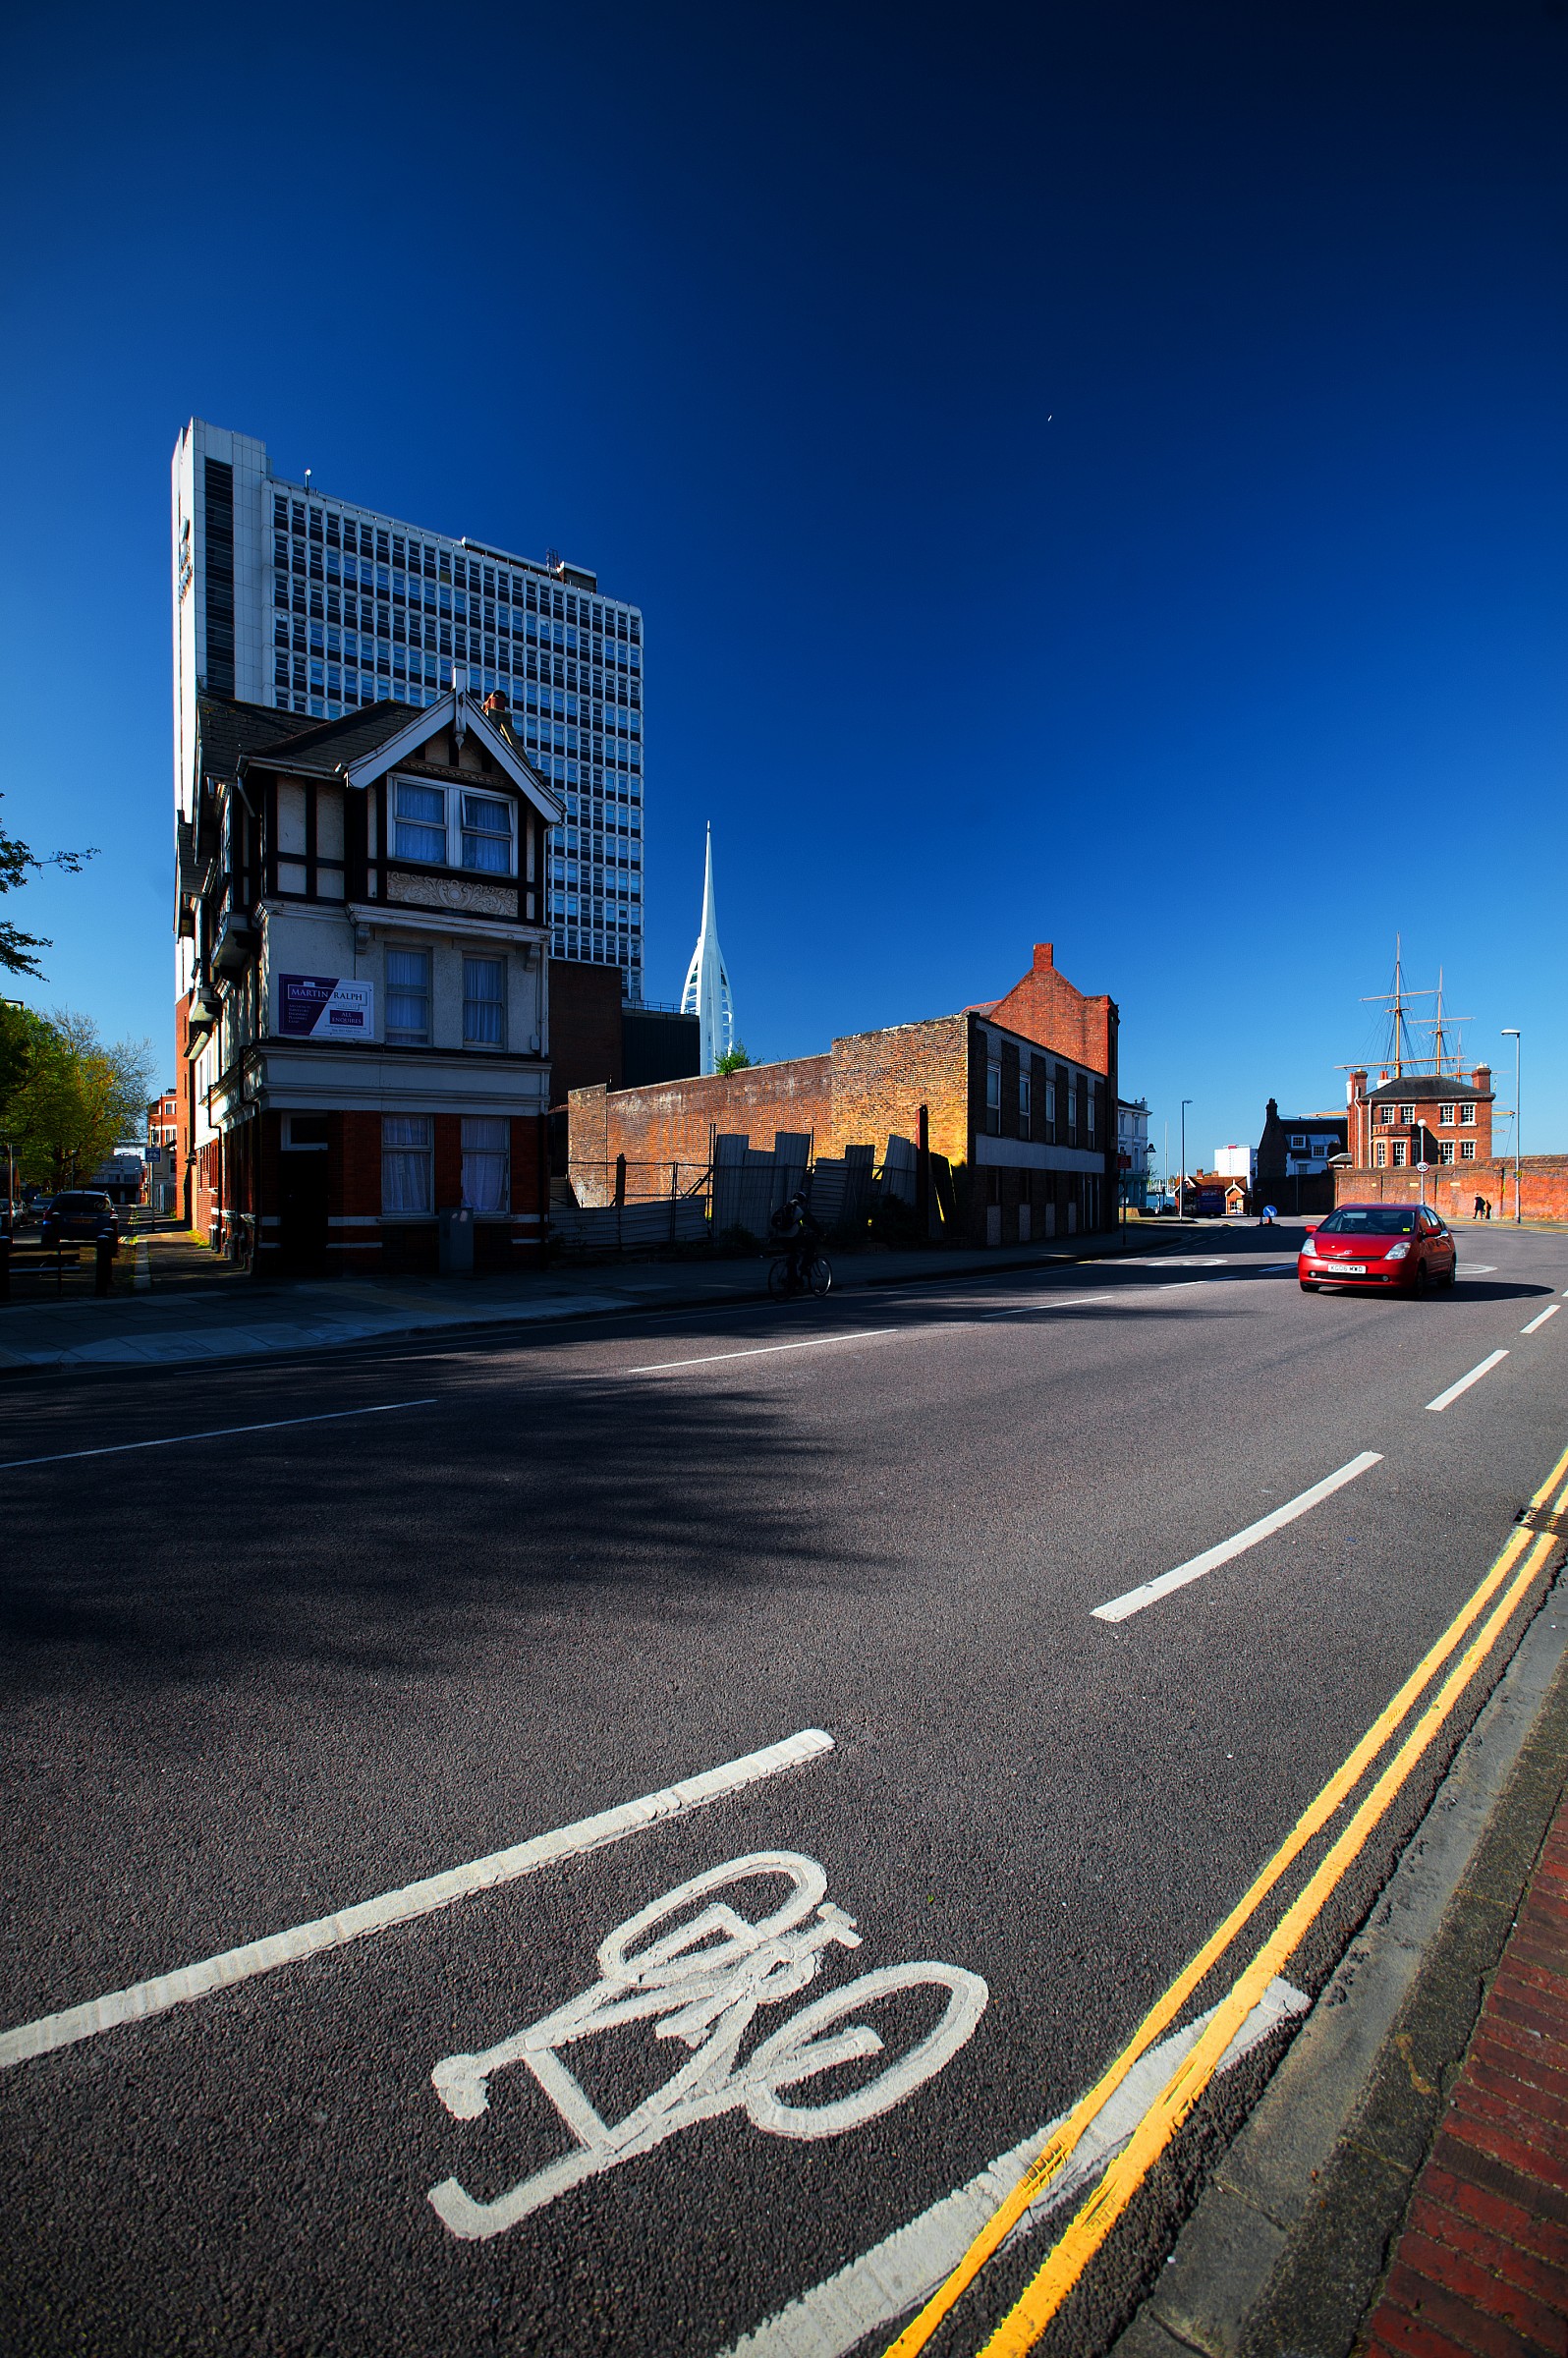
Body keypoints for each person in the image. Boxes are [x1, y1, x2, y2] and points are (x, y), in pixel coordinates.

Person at [769, 1189, 823, 1293]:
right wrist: (822, 1233)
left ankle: (792, 1281)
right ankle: (804, 1268)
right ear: (803, 1201)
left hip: (781, 1237)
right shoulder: (801, 1209)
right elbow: (812, 1223)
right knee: (811, 1246)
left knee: (792, 1257)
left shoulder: (786, 1207)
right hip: (792, 1237)